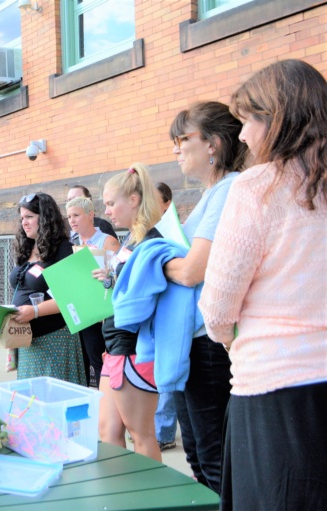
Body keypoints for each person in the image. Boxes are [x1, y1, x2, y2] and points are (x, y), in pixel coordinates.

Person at [199, 60, 327, 510]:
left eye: (251, 120)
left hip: (273, 390)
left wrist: (227, 340)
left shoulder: (257, 186)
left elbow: (216, 307)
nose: (245, 136)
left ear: (281, 118)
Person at [162, 101, 248, 493]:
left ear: (213, 143)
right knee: (196, 452)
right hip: (190, 340)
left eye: (183, 139)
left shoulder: (229, 188)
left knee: (214, 458)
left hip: (208, 345)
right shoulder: (209, 193)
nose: (176, 149)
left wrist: (155, 264)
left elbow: (193, 269)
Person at [91, 163, 163, 462]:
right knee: (108, 430)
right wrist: (109, 278)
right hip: (116, 348)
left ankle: (153, 505)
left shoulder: (150, 240)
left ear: (133, 201)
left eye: (110, 203)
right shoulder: (133, 239)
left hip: (133, 349)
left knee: (141, 433)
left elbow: (146, 292)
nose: (107, 211)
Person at [9, 192, 86, 385]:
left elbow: (72, 297)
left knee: (53, 401)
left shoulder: (62, 249)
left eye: (29, 217)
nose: (24, 223)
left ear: (44, 218)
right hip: (28, 341)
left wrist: (35, 311)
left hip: (54, 339)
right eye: (22, 218)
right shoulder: (26, 248)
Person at [65, 196, 120, 388]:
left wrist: (108, 275)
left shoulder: (107, 240)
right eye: (69, 216)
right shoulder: (71, 242)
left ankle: (107, 402)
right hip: (82, 308)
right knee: (85, 358)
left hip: (104, 309)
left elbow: (120, 273)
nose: (72, 220)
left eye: (76, 215)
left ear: (90, 215)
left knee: (100, 360)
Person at [152, 182, 178, 452]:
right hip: (155, 317)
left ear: (166, 204)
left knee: (169, 375)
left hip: (171, 313)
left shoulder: (172, 232)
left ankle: (164, 432)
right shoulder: (147, 231)